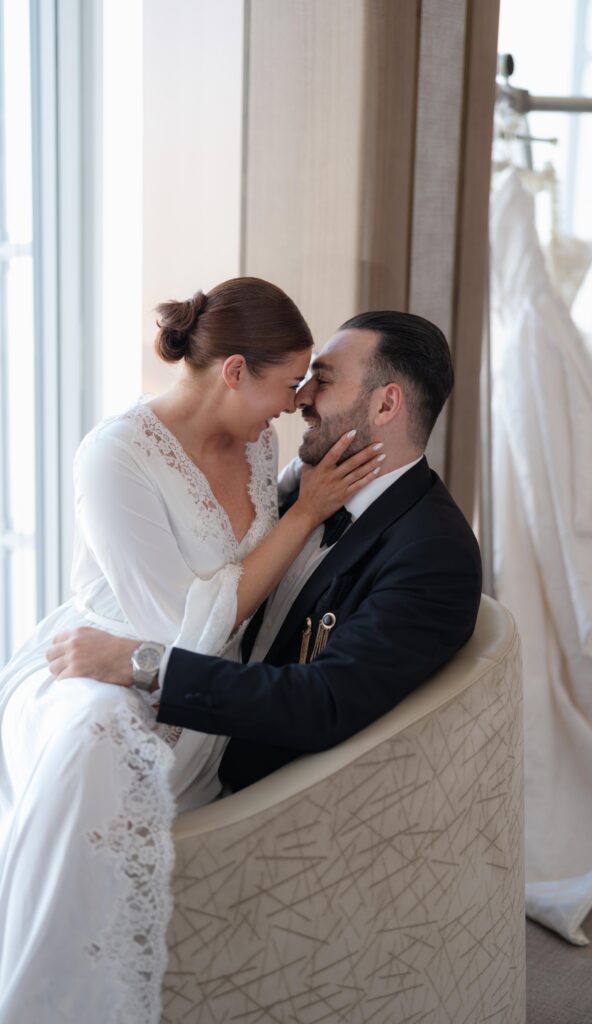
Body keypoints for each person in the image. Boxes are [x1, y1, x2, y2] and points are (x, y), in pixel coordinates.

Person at [0, 277, 382, 1024]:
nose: (296, 400)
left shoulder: (258, 442)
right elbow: (180, 626)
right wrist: (304, 512)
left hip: (203, 680)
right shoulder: (113, 456)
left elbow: (236, 603)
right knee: (93, 738)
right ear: (234, 370)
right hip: (105, 658)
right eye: (286, 381)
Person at [49, 311, 483, 800]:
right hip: (182, 695)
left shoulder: (434, 555)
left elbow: (322, 704)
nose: (299, 399)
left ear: (385, 405)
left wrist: (143, 665)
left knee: (87, 773)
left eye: (321, 380)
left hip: (246, 781)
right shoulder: (309, 475)